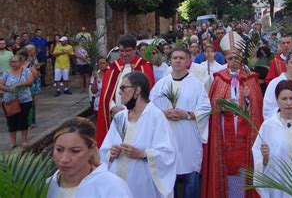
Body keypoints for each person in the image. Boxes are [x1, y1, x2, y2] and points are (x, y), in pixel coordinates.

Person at [202, 31, 264, 198]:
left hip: (246, 133)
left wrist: (249, 98)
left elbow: (257, 108)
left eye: (237, 58)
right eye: (230, 58)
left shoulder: (251, 79)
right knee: (227, 168)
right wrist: (220, 105)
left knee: (244, 167)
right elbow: (213, 105)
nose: (234, 62)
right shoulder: (218, 79)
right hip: (223, 131)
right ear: (226, 60)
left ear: (241, 59)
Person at [100, 72, 177, 198]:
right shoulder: (120, 117)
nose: (120, 93)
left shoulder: (156, 117)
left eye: (123, 88)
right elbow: (105, 150)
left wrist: (142, 154)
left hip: (142, 185)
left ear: (137, 90)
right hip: (117, 184)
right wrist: (111, 153)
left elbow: (167, 154)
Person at [150, 48, 211, 197]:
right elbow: (149, 110)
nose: (177, 60)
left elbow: (205, 109)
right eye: (175, 58)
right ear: (170, 61)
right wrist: (164, 113)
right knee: (169, 178)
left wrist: (187, 114)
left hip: (188, 137)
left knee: (191, 179)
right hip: (166, 138)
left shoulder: (197, 84)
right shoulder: (161, 85)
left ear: (188, 61)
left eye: (181, 58)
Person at [47, 117, 132, 198]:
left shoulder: (112, 188)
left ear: (91, 148)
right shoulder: (45, 187)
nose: (64, 159)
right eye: (59, 150)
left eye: (75, 151)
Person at [96, 34, 154, 147]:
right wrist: (112, 108)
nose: (124, 54)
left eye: (128, 51)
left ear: (135, 50)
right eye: (121, 51)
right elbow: (106, 95)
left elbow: (149, 94)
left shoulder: (144, 67)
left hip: (138, 117)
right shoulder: (112, 68)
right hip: (116, 116)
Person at [0, 54, 35, 148]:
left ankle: (24, 140)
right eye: (12, 62)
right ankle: (13, 141)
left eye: (15, 62)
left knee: (23, 120)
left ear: (21, 62)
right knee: (11, 121)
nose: (13, 63)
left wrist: (18, 84)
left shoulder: (26, 71)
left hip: (24, 99)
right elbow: (1, 84)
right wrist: (9, 89)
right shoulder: (6, 72)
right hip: (9, 100)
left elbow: (30, 81)